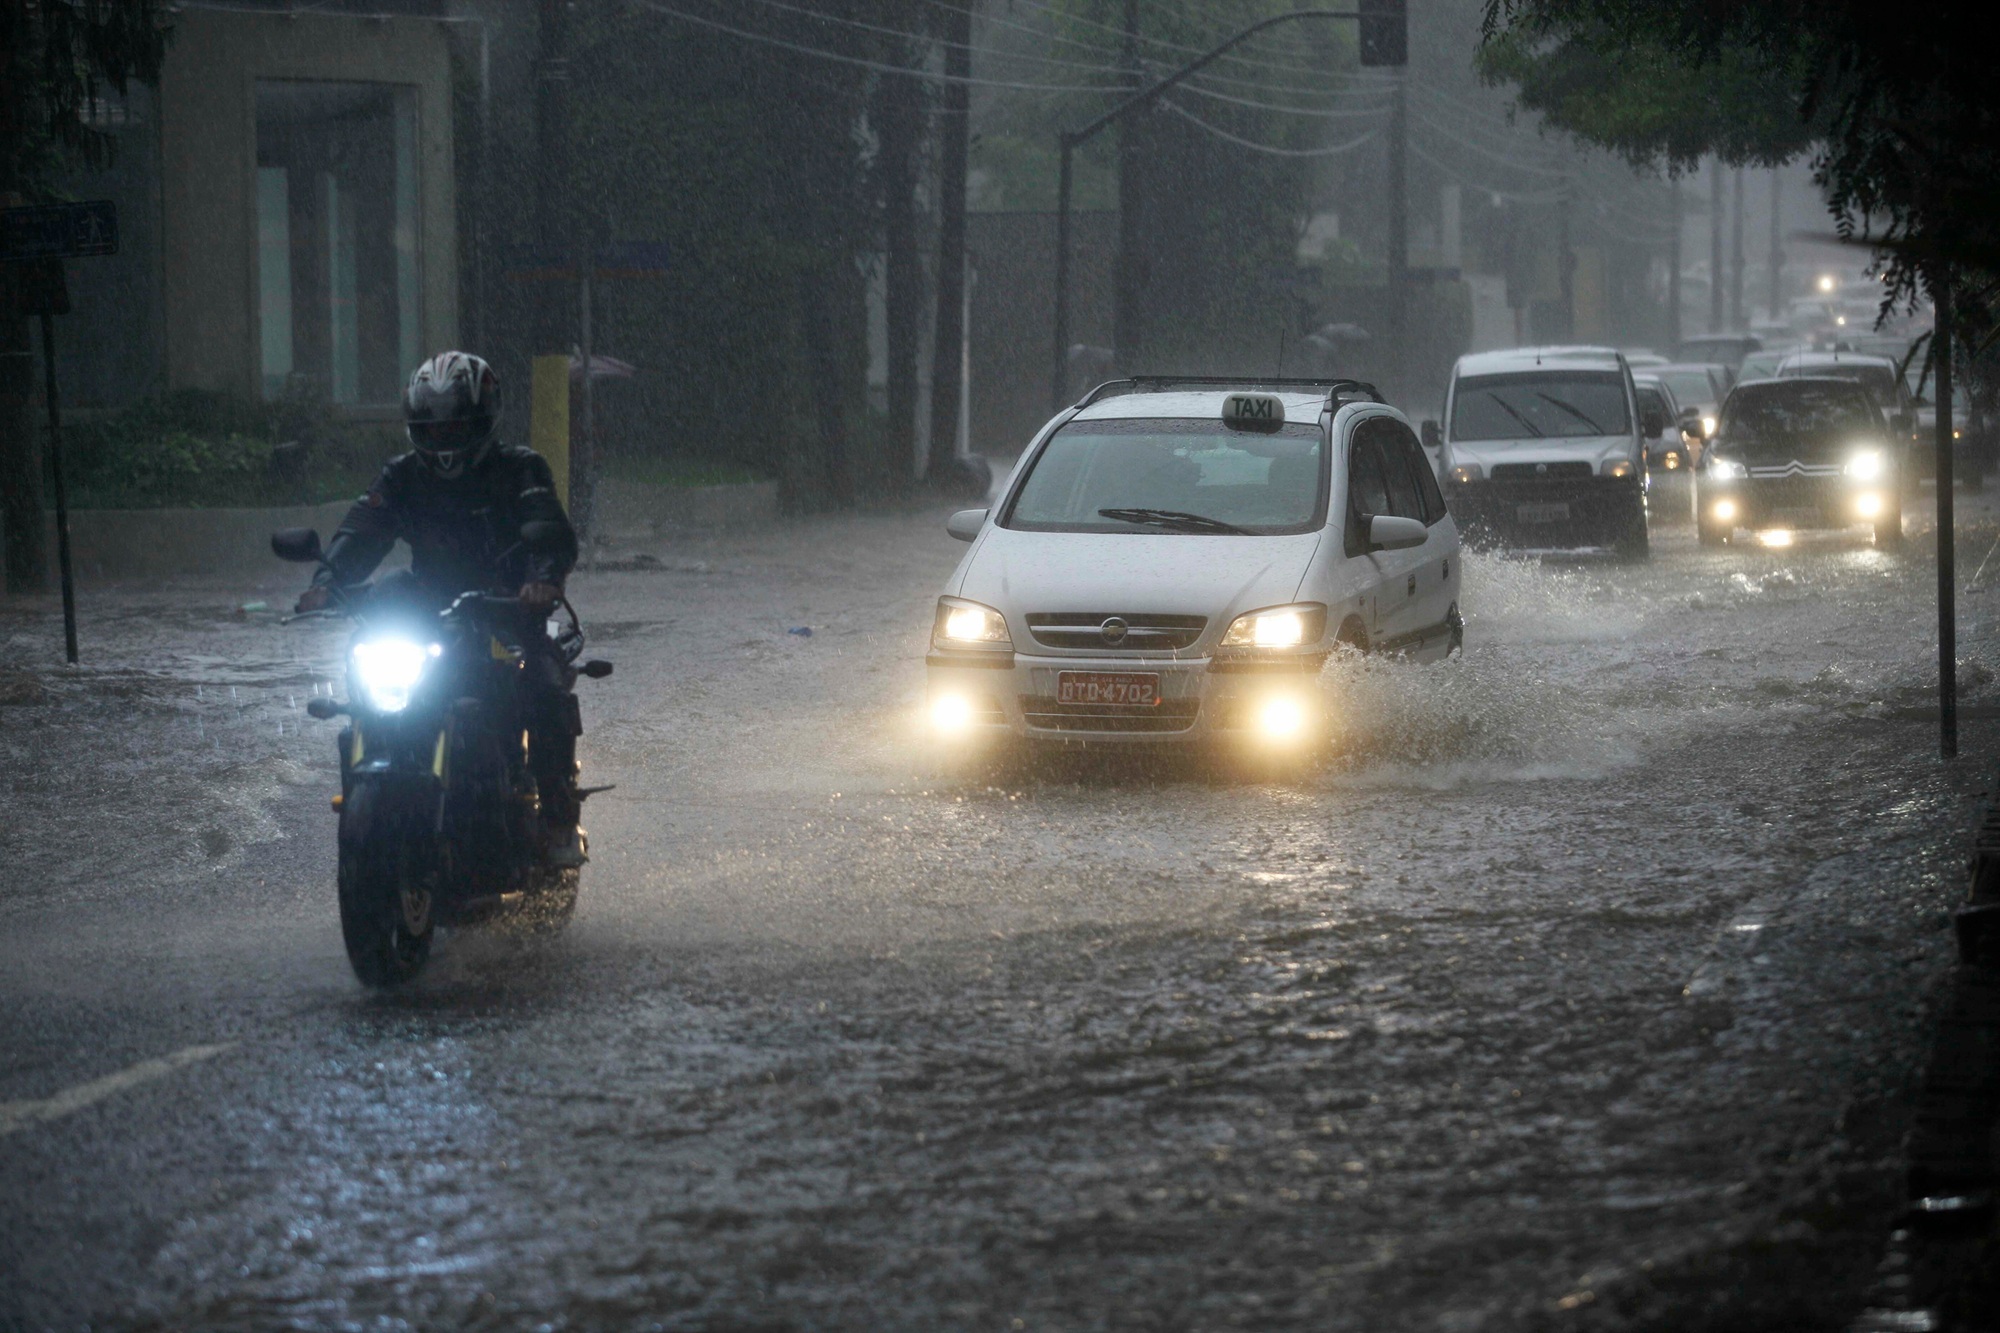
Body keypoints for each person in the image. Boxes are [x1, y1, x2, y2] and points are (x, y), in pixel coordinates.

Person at [294, 351, 588, 869]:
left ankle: (559, 819)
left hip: (504, 606)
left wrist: (541, 580)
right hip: (428, 604)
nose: (443, 441)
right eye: (431, 429)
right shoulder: (402, 476)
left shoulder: (520, 469)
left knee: (541, 685)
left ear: (482, 422)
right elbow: (362, 531)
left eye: (456, 427)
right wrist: (327, 582)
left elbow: (551, 531)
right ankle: (377, 785)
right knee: (364, 679)